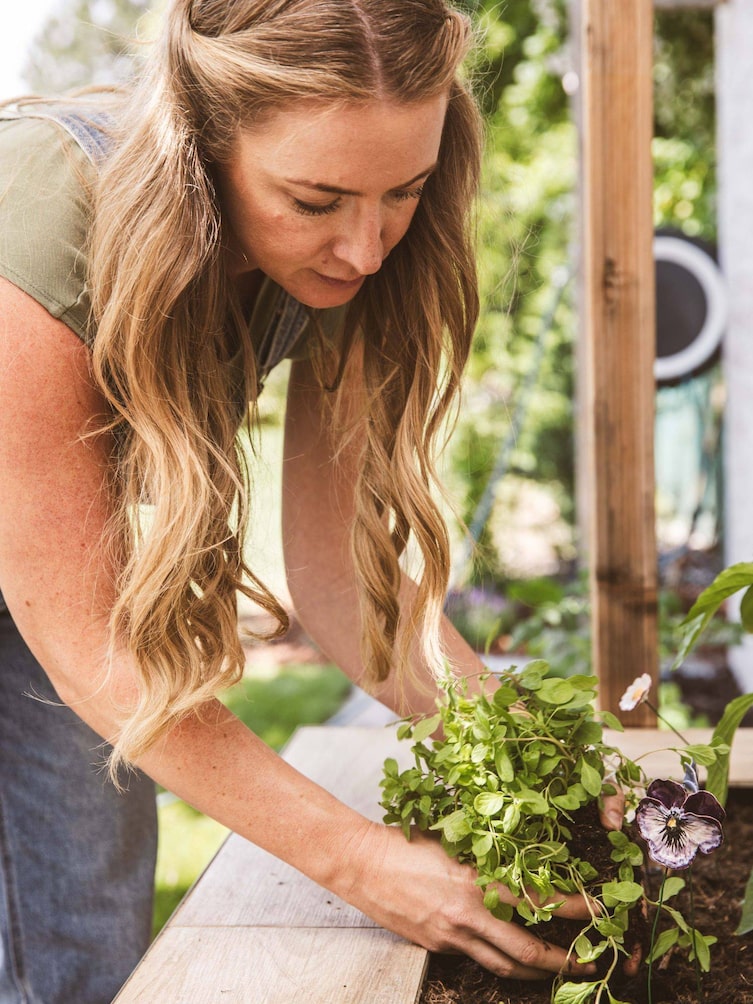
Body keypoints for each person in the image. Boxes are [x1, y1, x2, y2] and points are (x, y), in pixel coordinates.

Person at [0, 2, 628, 1001]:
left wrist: (529, 749)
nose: (366, 249)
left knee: (90, 931)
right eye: (315, 199)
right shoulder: (47, 208)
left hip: (35, 564)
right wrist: (366, 863)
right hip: (43, 574)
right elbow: (92, 646)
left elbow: (337, 573)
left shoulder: (341, 261)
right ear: (204, 146)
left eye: (404, 192)